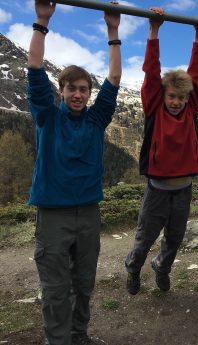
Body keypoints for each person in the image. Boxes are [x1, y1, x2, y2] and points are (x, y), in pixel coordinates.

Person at [27, 1, 122, 344]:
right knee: (55, 288)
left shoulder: (97, 119)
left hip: (89, 213)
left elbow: (114, 78)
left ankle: (79, 335)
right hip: (53, 215)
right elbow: (34, 67)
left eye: (84, 89)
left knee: (84, 283)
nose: (79, 94)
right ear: (62, 91)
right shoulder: (47, 117)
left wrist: (113, 32)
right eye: (72, 89)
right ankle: (59, 341)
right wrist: (41, 21)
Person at [125, 8, 198, 295]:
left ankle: (162, 267)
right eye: (172, 96)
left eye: (181, 97)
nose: (176, 101)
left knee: (175, 238)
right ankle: (134, 268)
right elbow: (151, 71)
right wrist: (153, 31)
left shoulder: (191, 109)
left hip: (183, 189)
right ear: (163, 95)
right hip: (157, 189)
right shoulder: (154, 108)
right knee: (145, 236)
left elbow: (196, 75)